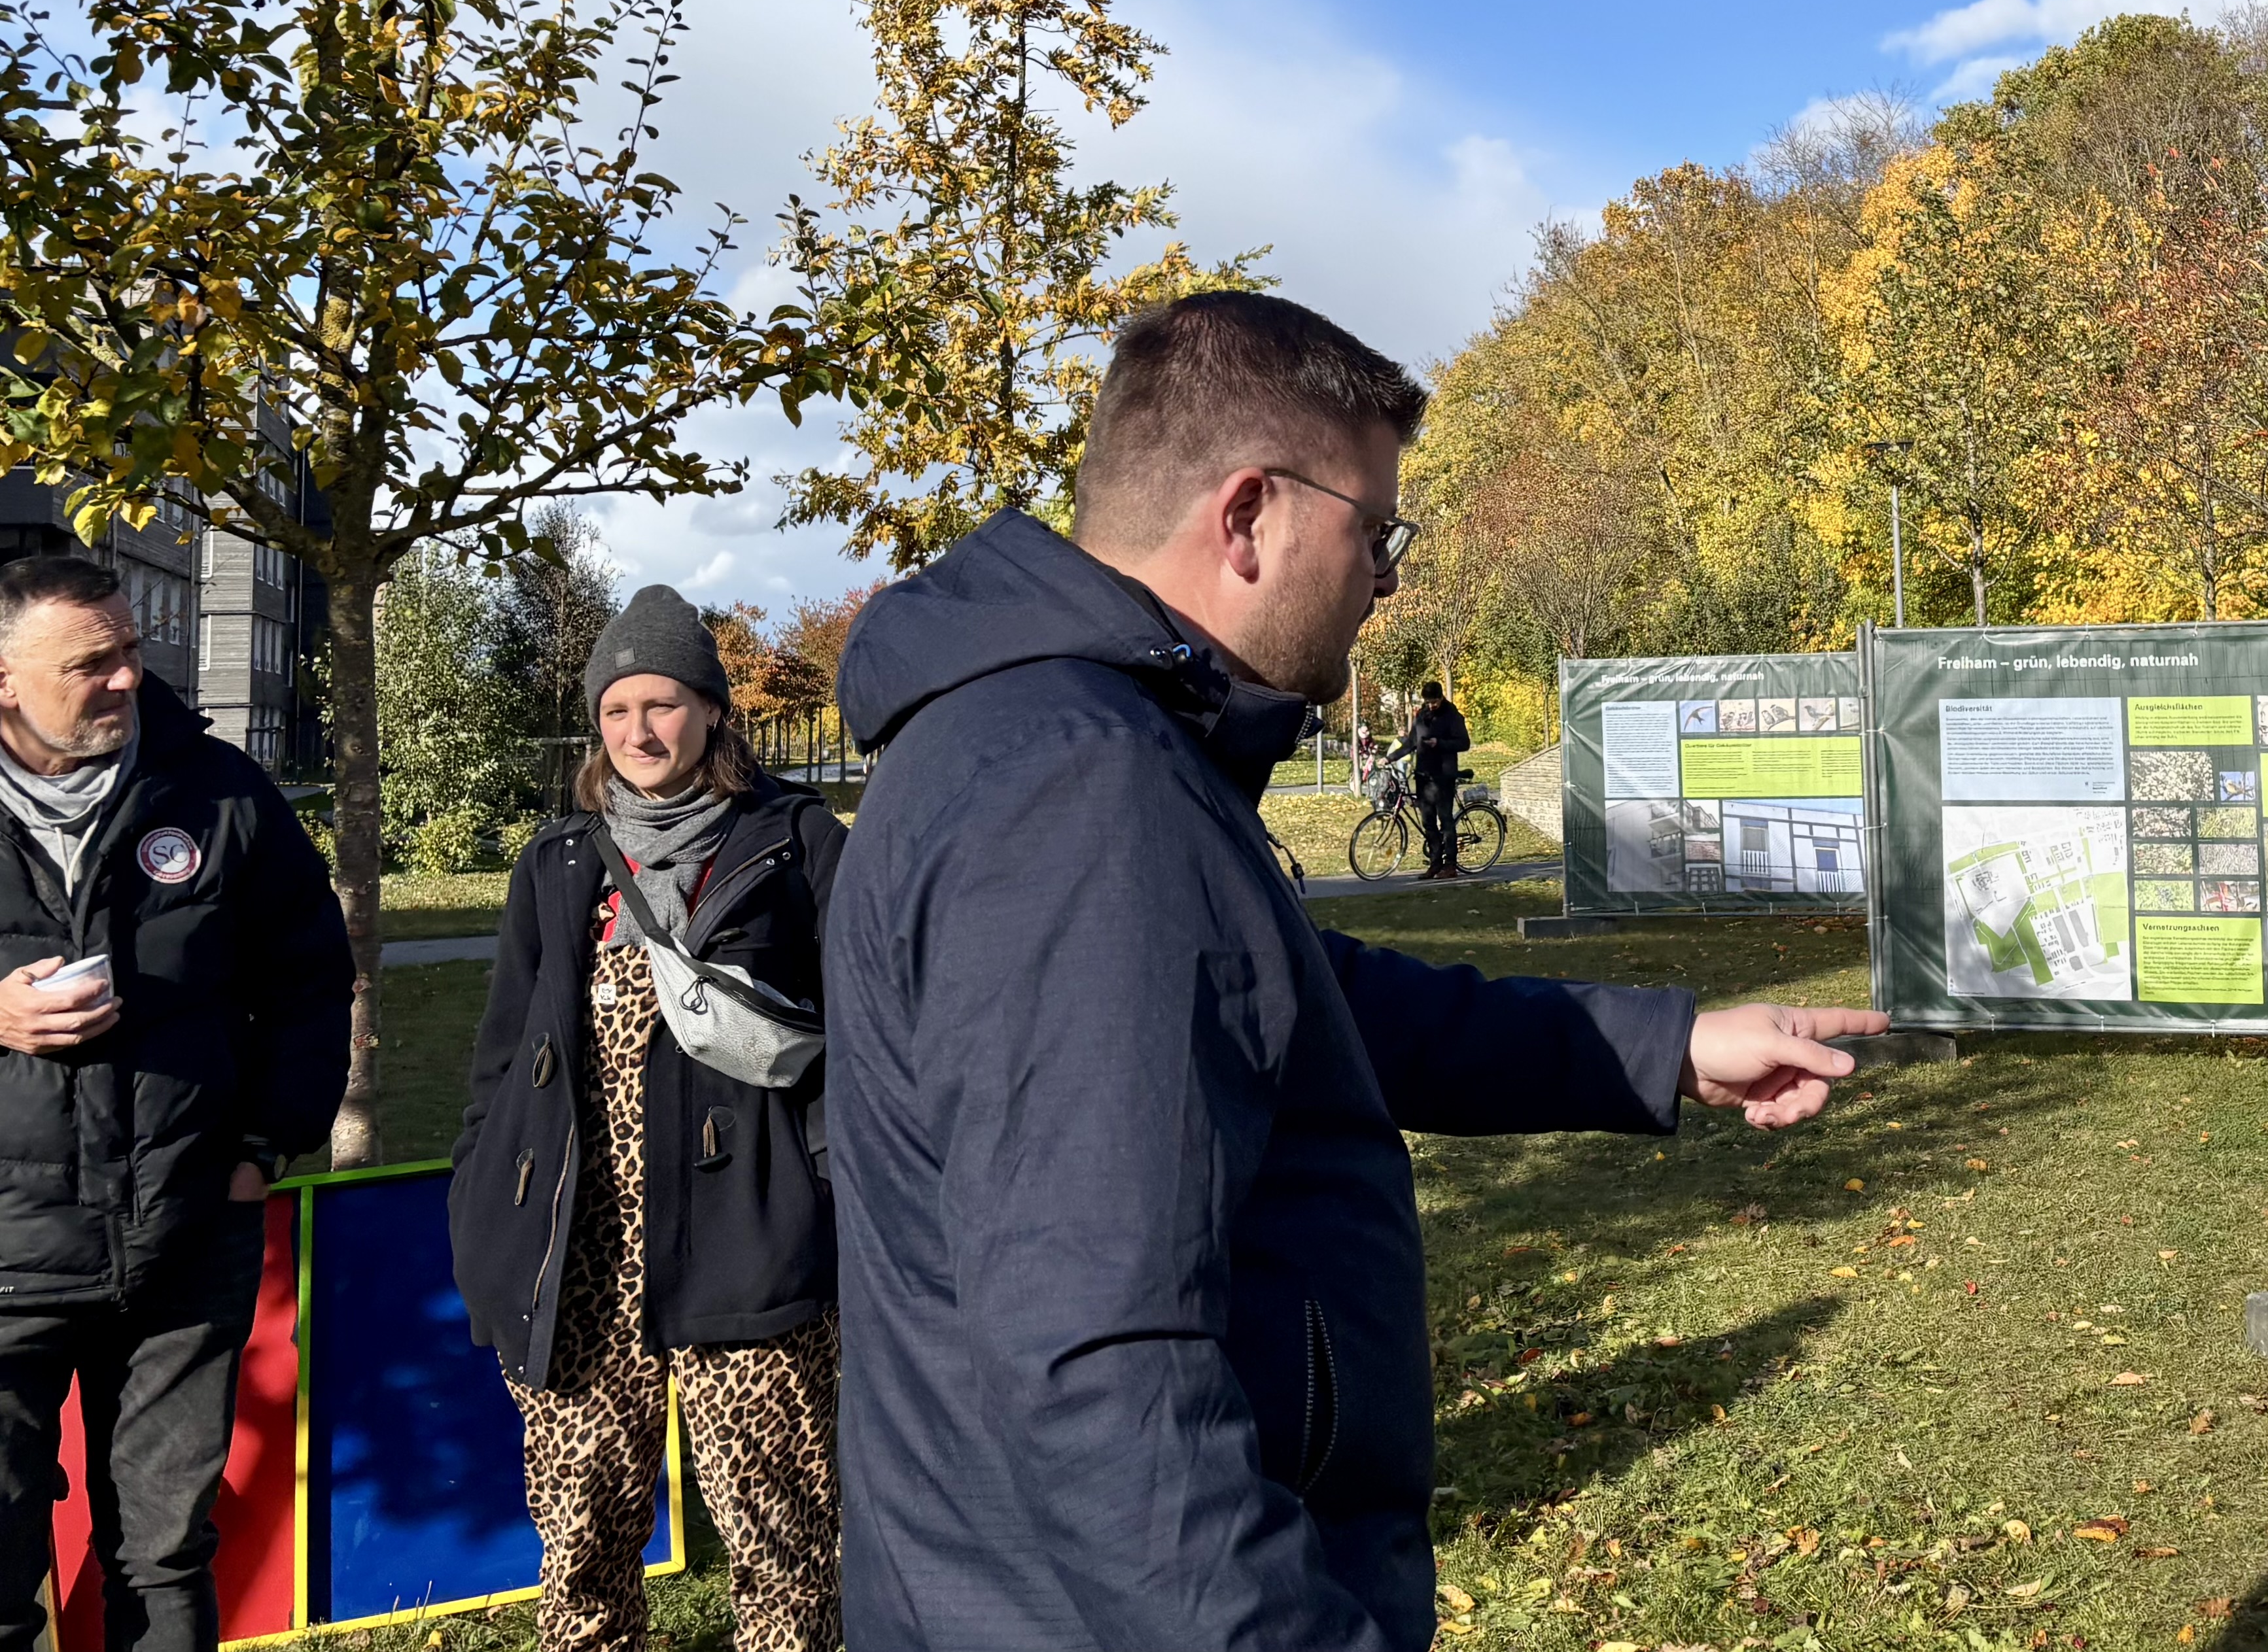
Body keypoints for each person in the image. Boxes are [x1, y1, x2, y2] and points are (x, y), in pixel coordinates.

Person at [828, 292, 1885, 1650]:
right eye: (1374, 531)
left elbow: (1290, 1001)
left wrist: (1661, 1044)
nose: (1385, 577)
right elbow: (1104, 1370)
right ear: (1249, 514)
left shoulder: (1060, 744)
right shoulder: (1081, 789)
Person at [449, 587, 846, 1652]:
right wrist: (483, 1196)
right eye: (617, 709)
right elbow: (501, 1058)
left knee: (788, 1542)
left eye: (662, 703)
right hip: (582, 1252)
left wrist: (824, 1184)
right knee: (581, 1541)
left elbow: (869, 1031)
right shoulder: (561, 862)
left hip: (748, 1241)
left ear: (713, 710)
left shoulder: (793, 840)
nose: (638, 731)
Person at [0, 555, 352, 1652]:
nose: (123, 678)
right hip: (6, 1251)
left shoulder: (216, 790)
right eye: (89, 662)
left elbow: (308, 976)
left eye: (130, 650)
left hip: (184, 1240)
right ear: (5, 679)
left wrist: (260, 1147)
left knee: (163, 1559)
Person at [1391, 679, 1471, 877]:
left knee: (1445, 820)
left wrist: (1440, 743)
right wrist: (1390, 758)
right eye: (1428, 702)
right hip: (1423, 776)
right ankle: (1435, 863)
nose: (1431, 705)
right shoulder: (1422, 715)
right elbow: (1411, 743)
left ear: (1441, 697)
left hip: (1443, 776)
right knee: (1428, 821)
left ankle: (1450, 864)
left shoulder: (1452, 715)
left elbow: (1464, 743)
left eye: (1434, 701)